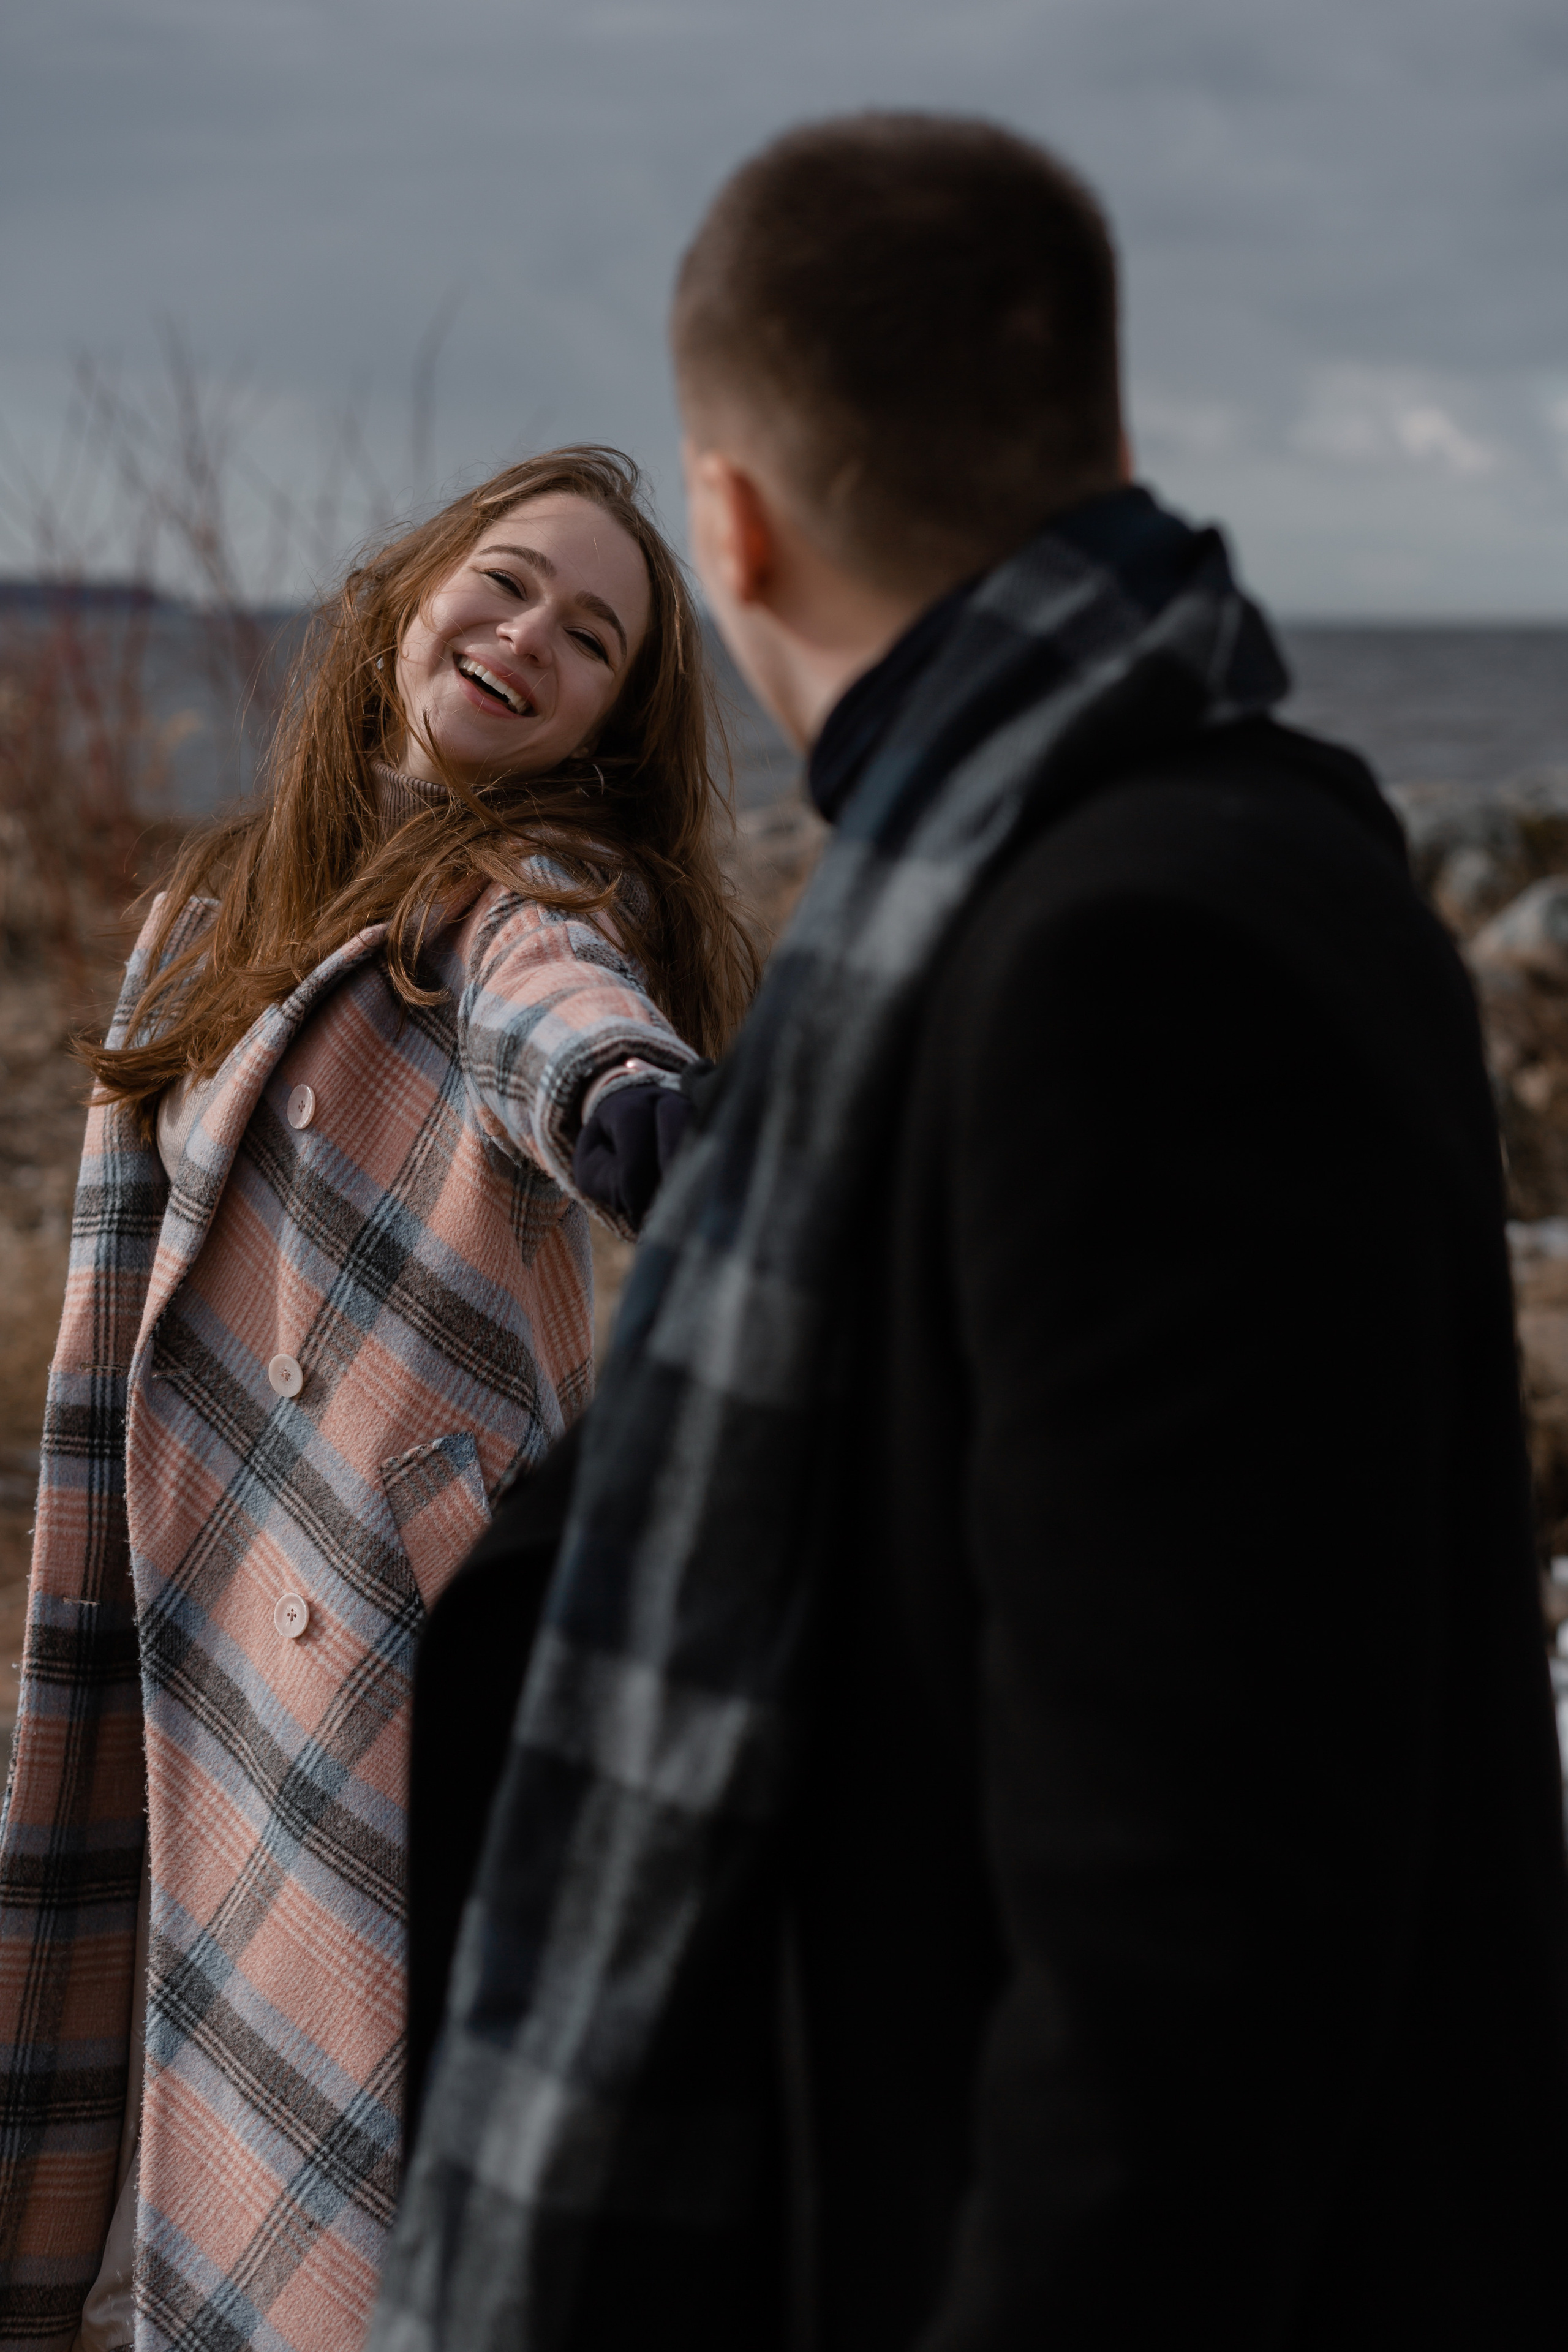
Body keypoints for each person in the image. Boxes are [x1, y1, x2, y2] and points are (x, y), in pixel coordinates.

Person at [377, 120, 1568, 2351]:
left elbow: (1188, 1942)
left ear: (726, 525)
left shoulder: (1121, 952)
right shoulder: (1225, 858)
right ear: (1103, 431)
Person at [0, 445, 754, 2352]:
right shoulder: (219, 909)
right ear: (407, 596)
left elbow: (560, 1015)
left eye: (590, 640)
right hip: (182, 1597)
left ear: (606, 720)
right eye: (505, 586)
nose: (527, 642)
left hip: (361, 1656)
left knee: (329, 2189)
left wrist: (648, 1120)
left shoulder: (515, 897)